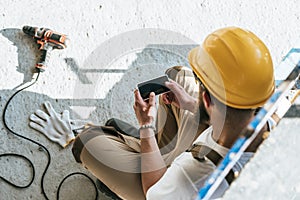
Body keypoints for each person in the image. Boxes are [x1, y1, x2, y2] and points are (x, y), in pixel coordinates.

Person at [29, 26, 274, 199]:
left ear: (208, 99)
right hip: (222, 146)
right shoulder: (280, 115)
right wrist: (191, 104)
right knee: (178, 76)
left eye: (202, 89)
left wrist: (146, 127)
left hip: (163, 187)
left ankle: (137, 147)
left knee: (88, 142)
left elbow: (153, 190)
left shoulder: (191, 175)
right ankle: (144, 146)